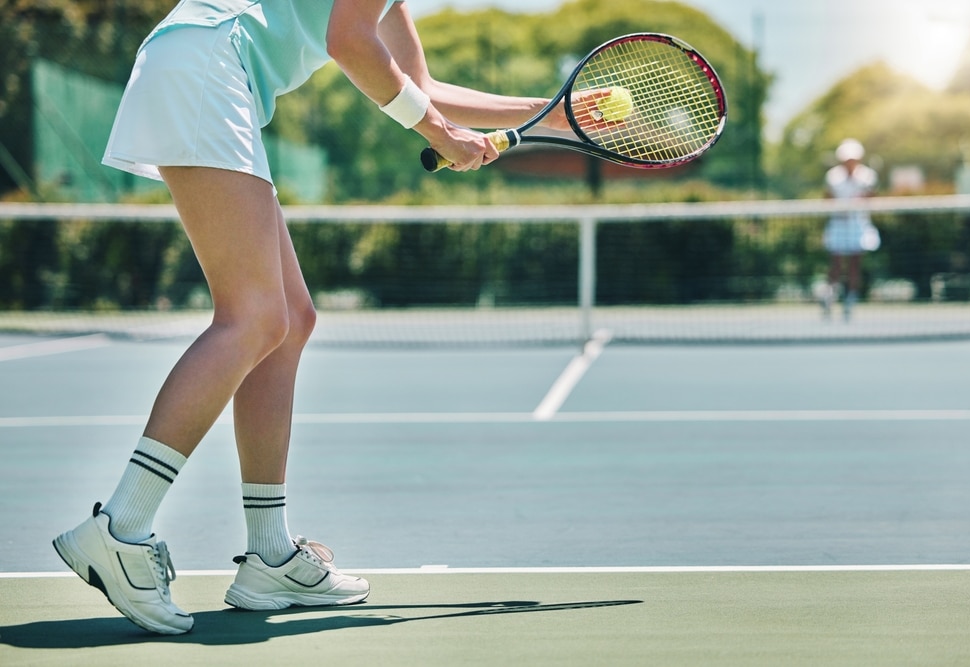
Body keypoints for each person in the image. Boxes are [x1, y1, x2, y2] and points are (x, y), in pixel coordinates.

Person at [52, 0, 590, 635]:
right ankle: (121, 527)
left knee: (288, 322)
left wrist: (551, 113)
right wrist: (440, 135)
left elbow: (421, 87)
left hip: (208, 73)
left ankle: (269, 554)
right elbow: (350, 44)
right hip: (206, 68)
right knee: (252, 317)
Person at [820, 138, 879, 321]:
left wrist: (860, 201)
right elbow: (827, 199)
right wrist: (840, 208)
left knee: (855, 264)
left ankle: (850, 300)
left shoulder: (867, 176)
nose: (850, 163)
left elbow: (870, 198)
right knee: (835, 264)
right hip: (838, 224)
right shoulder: (833, 176)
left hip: (858, 225)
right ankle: (829, 297)